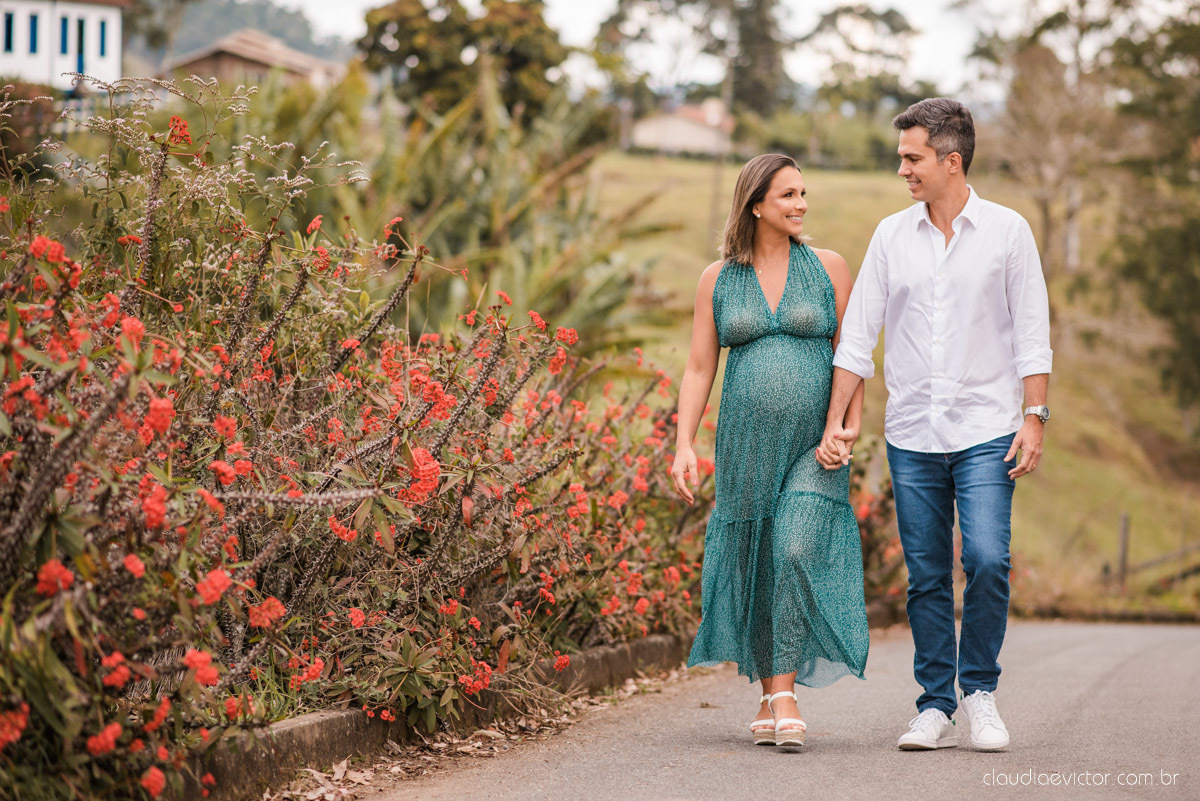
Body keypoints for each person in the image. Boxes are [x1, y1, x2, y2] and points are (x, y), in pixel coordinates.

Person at [817, 98, 1052, 752]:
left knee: (985, 558)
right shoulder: (892, 236)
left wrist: (1034, 417)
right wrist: (836, 421)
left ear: (951, 160)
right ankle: (933, 704)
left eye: (912, 157)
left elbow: (1033, 333)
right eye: (902, 158)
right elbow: (858, 337)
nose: (903, 170)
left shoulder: (1009, 232)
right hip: (912, 433)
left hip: (986, 428)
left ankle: (979, 691)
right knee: (924, 573)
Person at [671, 153, 869, 749]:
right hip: (745, 444)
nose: (801, 204)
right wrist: (683, 442)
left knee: (793, 545)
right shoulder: (718, 278)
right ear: (756, 203)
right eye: (788, 194)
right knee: (760, 552)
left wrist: (845, 427)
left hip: (817, 444)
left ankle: (782, 695)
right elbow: (701, 365)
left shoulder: (830, 267)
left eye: (804, 193)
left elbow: (852, 354)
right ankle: (770, 693)